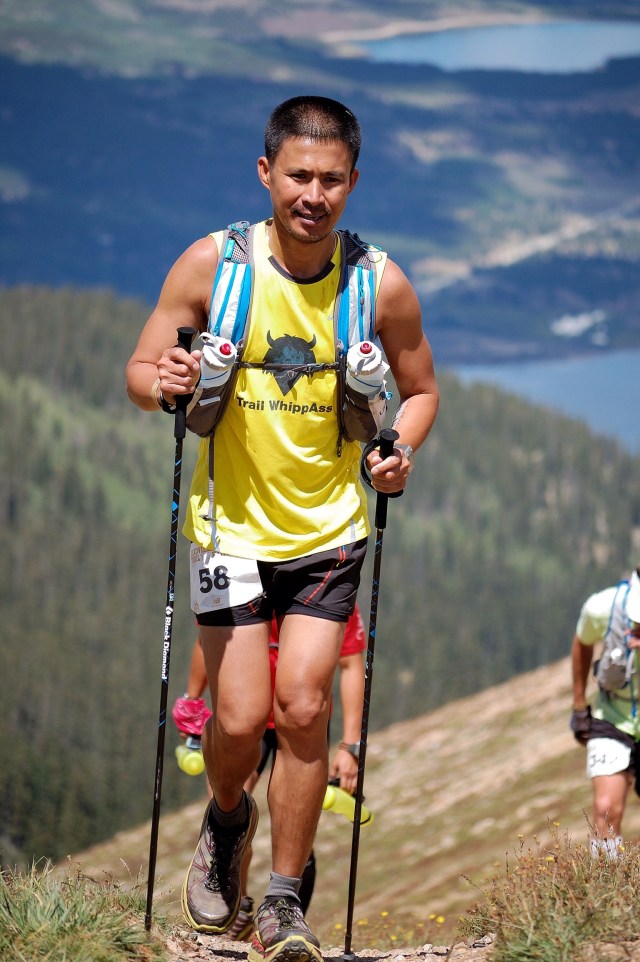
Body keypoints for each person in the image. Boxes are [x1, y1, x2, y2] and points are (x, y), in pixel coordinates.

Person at [126, 94, 438, 962]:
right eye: (299, 175)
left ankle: (283, 899)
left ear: (353, 182)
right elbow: (140, 370)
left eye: (331, 180)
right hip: (227, 530)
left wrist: (396, 451)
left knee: (303, 706)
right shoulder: (213, 265)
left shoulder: (379, 284)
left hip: (330, 531)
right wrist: (165, 382)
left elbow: (420, 391)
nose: (313, 195)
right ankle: (229, 820)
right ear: (266, 173)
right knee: (236, 719)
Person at [173, 604, 367, 939]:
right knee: (230, 805)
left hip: (300, 724)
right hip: (249, 716)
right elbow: (209, 640)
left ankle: (284, 914)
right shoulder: (250, 586)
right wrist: (192, 701)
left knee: (297, 826)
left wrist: (350, 746)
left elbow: (351, 664)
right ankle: (237, 907)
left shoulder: (325, 594)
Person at [570, 566, 640, 857]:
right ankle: (607, 881)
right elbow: (582, 642)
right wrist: (579, 705)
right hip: (612, 716)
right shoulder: (601, 607)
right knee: (605, 810)